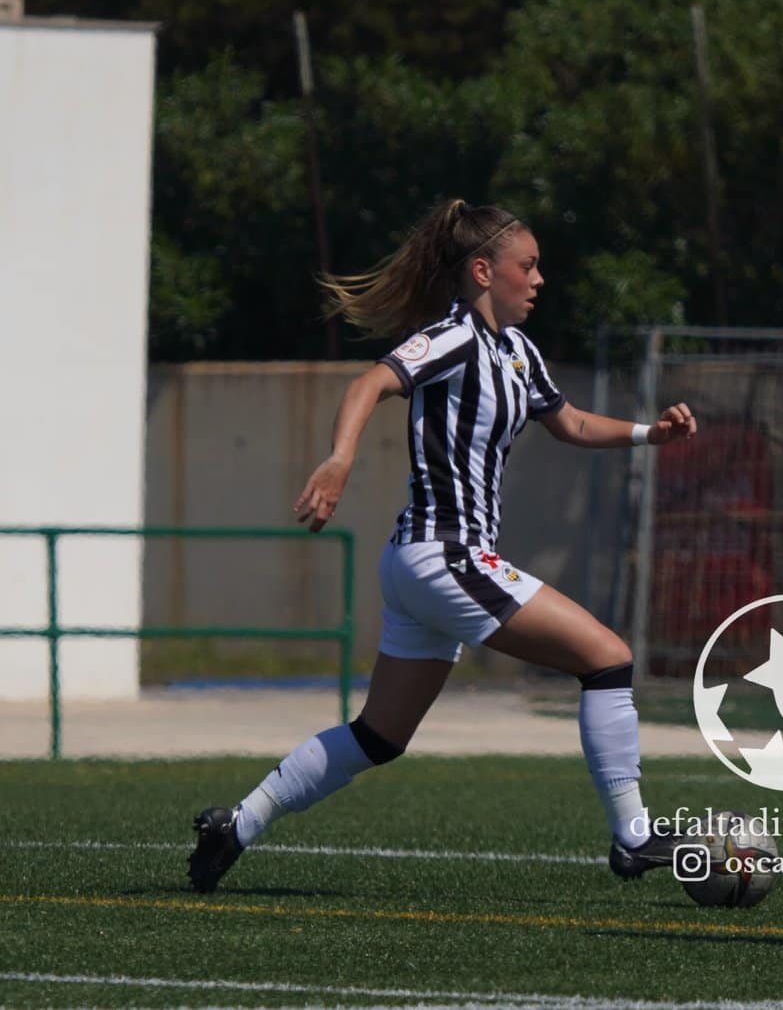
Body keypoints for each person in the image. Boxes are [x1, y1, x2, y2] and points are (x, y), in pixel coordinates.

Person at [187, 199, 696, 892]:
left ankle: (236, 824)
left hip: (423, 566)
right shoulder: (454, 338)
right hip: (442, 554)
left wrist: (649, 433)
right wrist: (339, 459)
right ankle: (634, 836)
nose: (540, 278)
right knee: (608, 658)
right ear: (484, 270)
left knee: (379, 736)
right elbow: (372, 381)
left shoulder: (518, 352)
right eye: (529, 264)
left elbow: (569, 420)